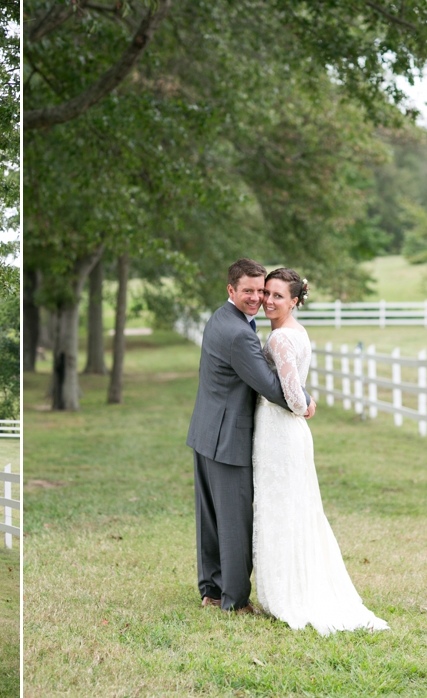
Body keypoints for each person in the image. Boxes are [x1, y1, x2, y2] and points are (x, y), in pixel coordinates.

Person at [253, 268, 388, 634]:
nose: (268, 300)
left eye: (278, 296)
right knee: (293, 509)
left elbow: (295, 398)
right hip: (285, 432)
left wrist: (306, 403)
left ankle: (287, 592)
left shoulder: (281, 339)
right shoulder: (294, 331)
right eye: (267, 293)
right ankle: (287, 584)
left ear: (295, 301)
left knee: (283, 508)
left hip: (281, 429)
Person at [186, 258, 316, 613]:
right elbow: (272, 387)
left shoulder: (222, 317)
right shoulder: (240, 333)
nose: (257, 298)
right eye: (249, 291)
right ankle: (235, 600)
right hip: (227, 437)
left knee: (211, 520)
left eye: (261, 290)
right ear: (231, 289)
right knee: (233, 521)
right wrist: (304, 399)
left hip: (207, 431)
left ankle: (212, 590)